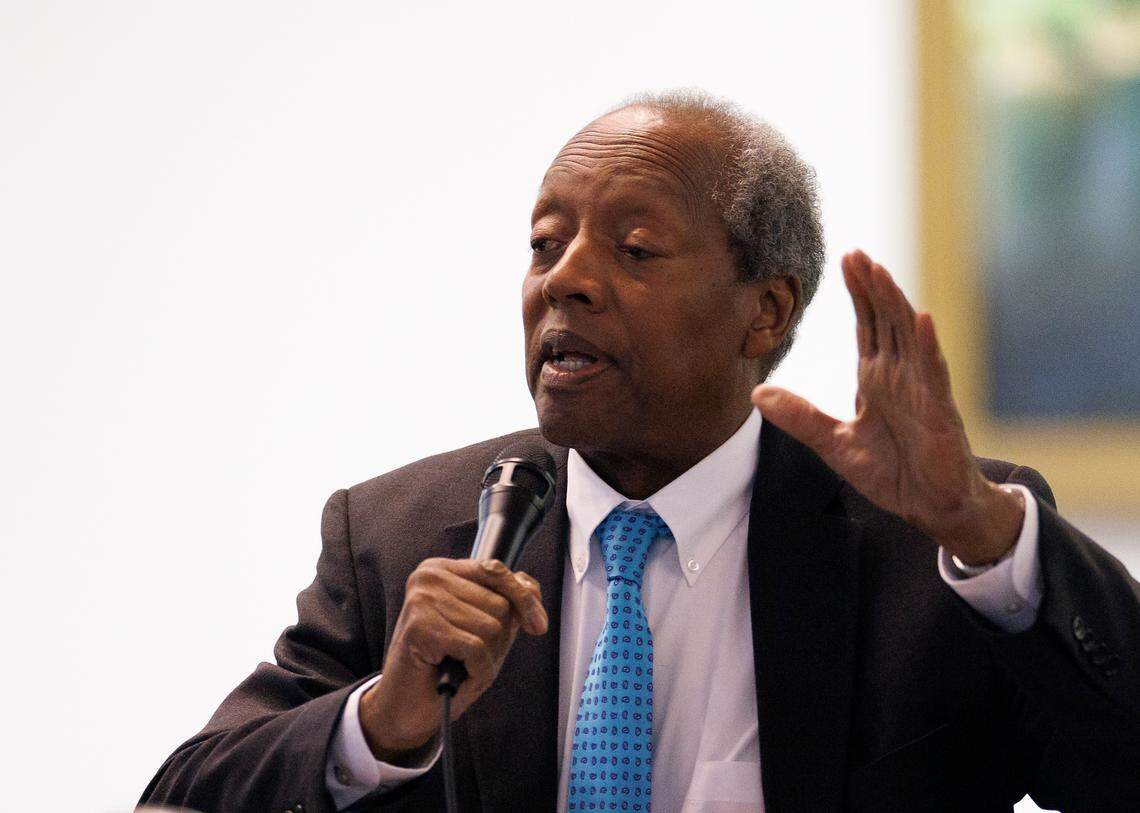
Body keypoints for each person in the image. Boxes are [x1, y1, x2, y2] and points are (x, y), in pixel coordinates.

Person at [140, 91, 1140, 812]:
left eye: (634, 248)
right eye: (544, 244)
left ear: (767, 311)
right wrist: (381, 722)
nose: (562, 282)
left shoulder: (935, 545)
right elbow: (184, 794)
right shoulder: (401, 537)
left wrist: (983, 531)